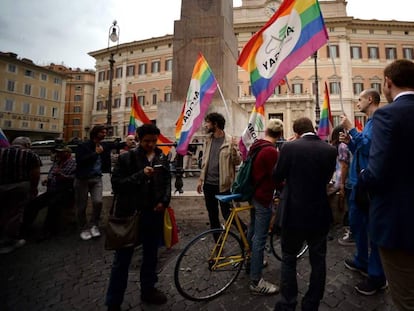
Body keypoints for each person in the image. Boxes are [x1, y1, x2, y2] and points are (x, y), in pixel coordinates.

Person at [359, 59, 414, 310]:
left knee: (405, 299)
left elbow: (376, 173)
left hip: (400, 223)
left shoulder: (387, 114)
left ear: (388, 83)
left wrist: (363, 175)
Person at [272, 117, 336, 311]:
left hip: (293, 213)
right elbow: (326, 179)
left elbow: (277, 176)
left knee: (289, 258)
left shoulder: (290, 148)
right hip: (319, 212)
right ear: (312, 129)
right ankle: (311, 304)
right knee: (318, 261)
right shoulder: (329, 150)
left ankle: (288, 302)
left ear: (296, 132)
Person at [105, 124, 171, 309]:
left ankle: (148, 289)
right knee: (122, 260)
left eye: (153, 141)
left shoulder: (161, 156)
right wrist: (141, 175)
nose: (150, 144)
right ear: (139, 140)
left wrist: (164, 201)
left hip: (153, 213)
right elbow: (117, 185)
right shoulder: (126, 158)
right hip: (131, 214)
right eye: (146, 141)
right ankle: (113, 301)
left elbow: (166, 182)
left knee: (151, 255)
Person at [339, 89, 387, 295]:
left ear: (370, 100)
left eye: (359, 99)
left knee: (373, 230)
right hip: (358, 183)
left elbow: (369, 148)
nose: (357, 102)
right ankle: (362, 261)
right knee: (357, 224)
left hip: (369, 185)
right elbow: (361, 150)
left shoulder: (378, 121)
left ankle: (377, 276)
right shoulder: (368, 123)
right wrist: (351, 142)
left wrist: (351, 130)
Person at [247, 119, 283, 295]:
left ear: (266, 130)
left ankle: (250, 261)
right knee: (260, 239)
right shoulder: (271, 152)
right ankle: (256, 281)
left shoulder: (256, 145)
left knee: (252, 231)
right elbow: (276, 177)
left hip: (253, 194)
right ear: (280, 134)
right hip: (263, 197)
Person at [196, 112, 242, 231]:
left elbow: (237, 162)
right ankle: (218, 244)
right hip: (208, 184)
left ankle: (244, 231)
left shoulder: (229, 140)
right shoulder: (208, 140)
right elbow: (205, 161)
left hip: (223, 185)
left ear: (215, 124)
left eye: (207, 122)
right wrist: (201, 179)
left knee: (227, 215)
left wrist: (234, 150)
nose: (205, 125)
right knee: (212, 216)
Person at [23, 146, 76, 240]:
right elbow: (51, 175)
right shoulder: (56, 163)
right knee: (33, 203)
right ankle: (25, 227)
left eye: (60, 152)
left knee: (53, 205)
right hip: (52, 190)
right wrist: (47, 180)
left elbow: (75, 179)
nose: (57, 154)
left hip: (65, 191)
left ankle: (48, 231)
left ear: (68, 153)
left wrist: (62, 176)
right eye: (57, 152)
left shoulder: (74, 163)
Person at [0, 137, 41, 254]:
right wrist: (33, 189)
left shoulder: (2, 152)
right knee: (14, 213)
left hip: (1, 185)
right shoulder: (30, 154)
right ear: (27, 144)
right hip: (19, 186)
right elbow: (35, 174)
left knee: (2, 210)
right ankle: (8, 241)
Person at [74, 125, 112, 241]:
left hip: (97, 178)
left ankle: (94, 225)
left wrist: (128, 143)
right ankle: (83, 227)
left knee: (98, 202)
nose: (105, 134)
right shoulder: (83, 146)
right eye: (102, 132)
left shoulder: (103, 145)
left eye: (105, 132)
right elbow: (80, 161)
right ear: (95, 133)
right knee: (81, 206)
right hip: (82, 179)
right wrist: (95, 153)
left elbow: (116, 145)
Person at [328, 126, 353, 245]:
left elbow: (344, 166)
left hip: (344, 179)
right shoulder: (344, 145)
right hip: (344, 178)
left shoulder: (342, 146)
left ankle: (350, 230)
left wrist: (342, 184)